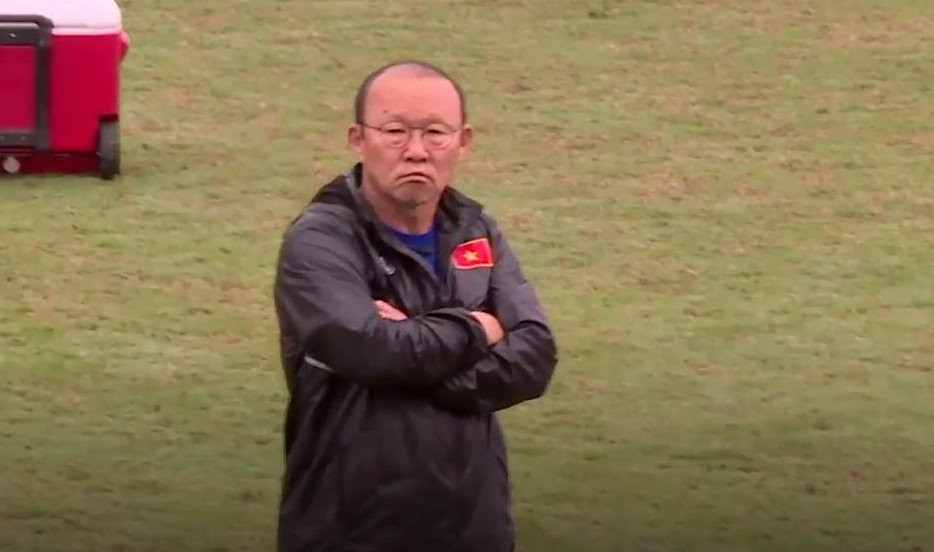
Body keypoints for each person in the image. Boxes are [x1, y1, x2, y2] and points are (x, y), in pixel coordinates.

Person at [273, 60, 558, 552]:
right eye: (395, 132)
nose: (416, 150)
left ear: (463, 142)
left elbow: (535, 355)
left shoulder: (475, 230)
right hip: (350, 531)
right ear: (358, 140)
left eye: (435, 133)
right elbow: (373, 350)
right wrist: (478, 329)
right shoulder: (320, 242)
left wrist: (418, 353)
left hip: (474, 529)